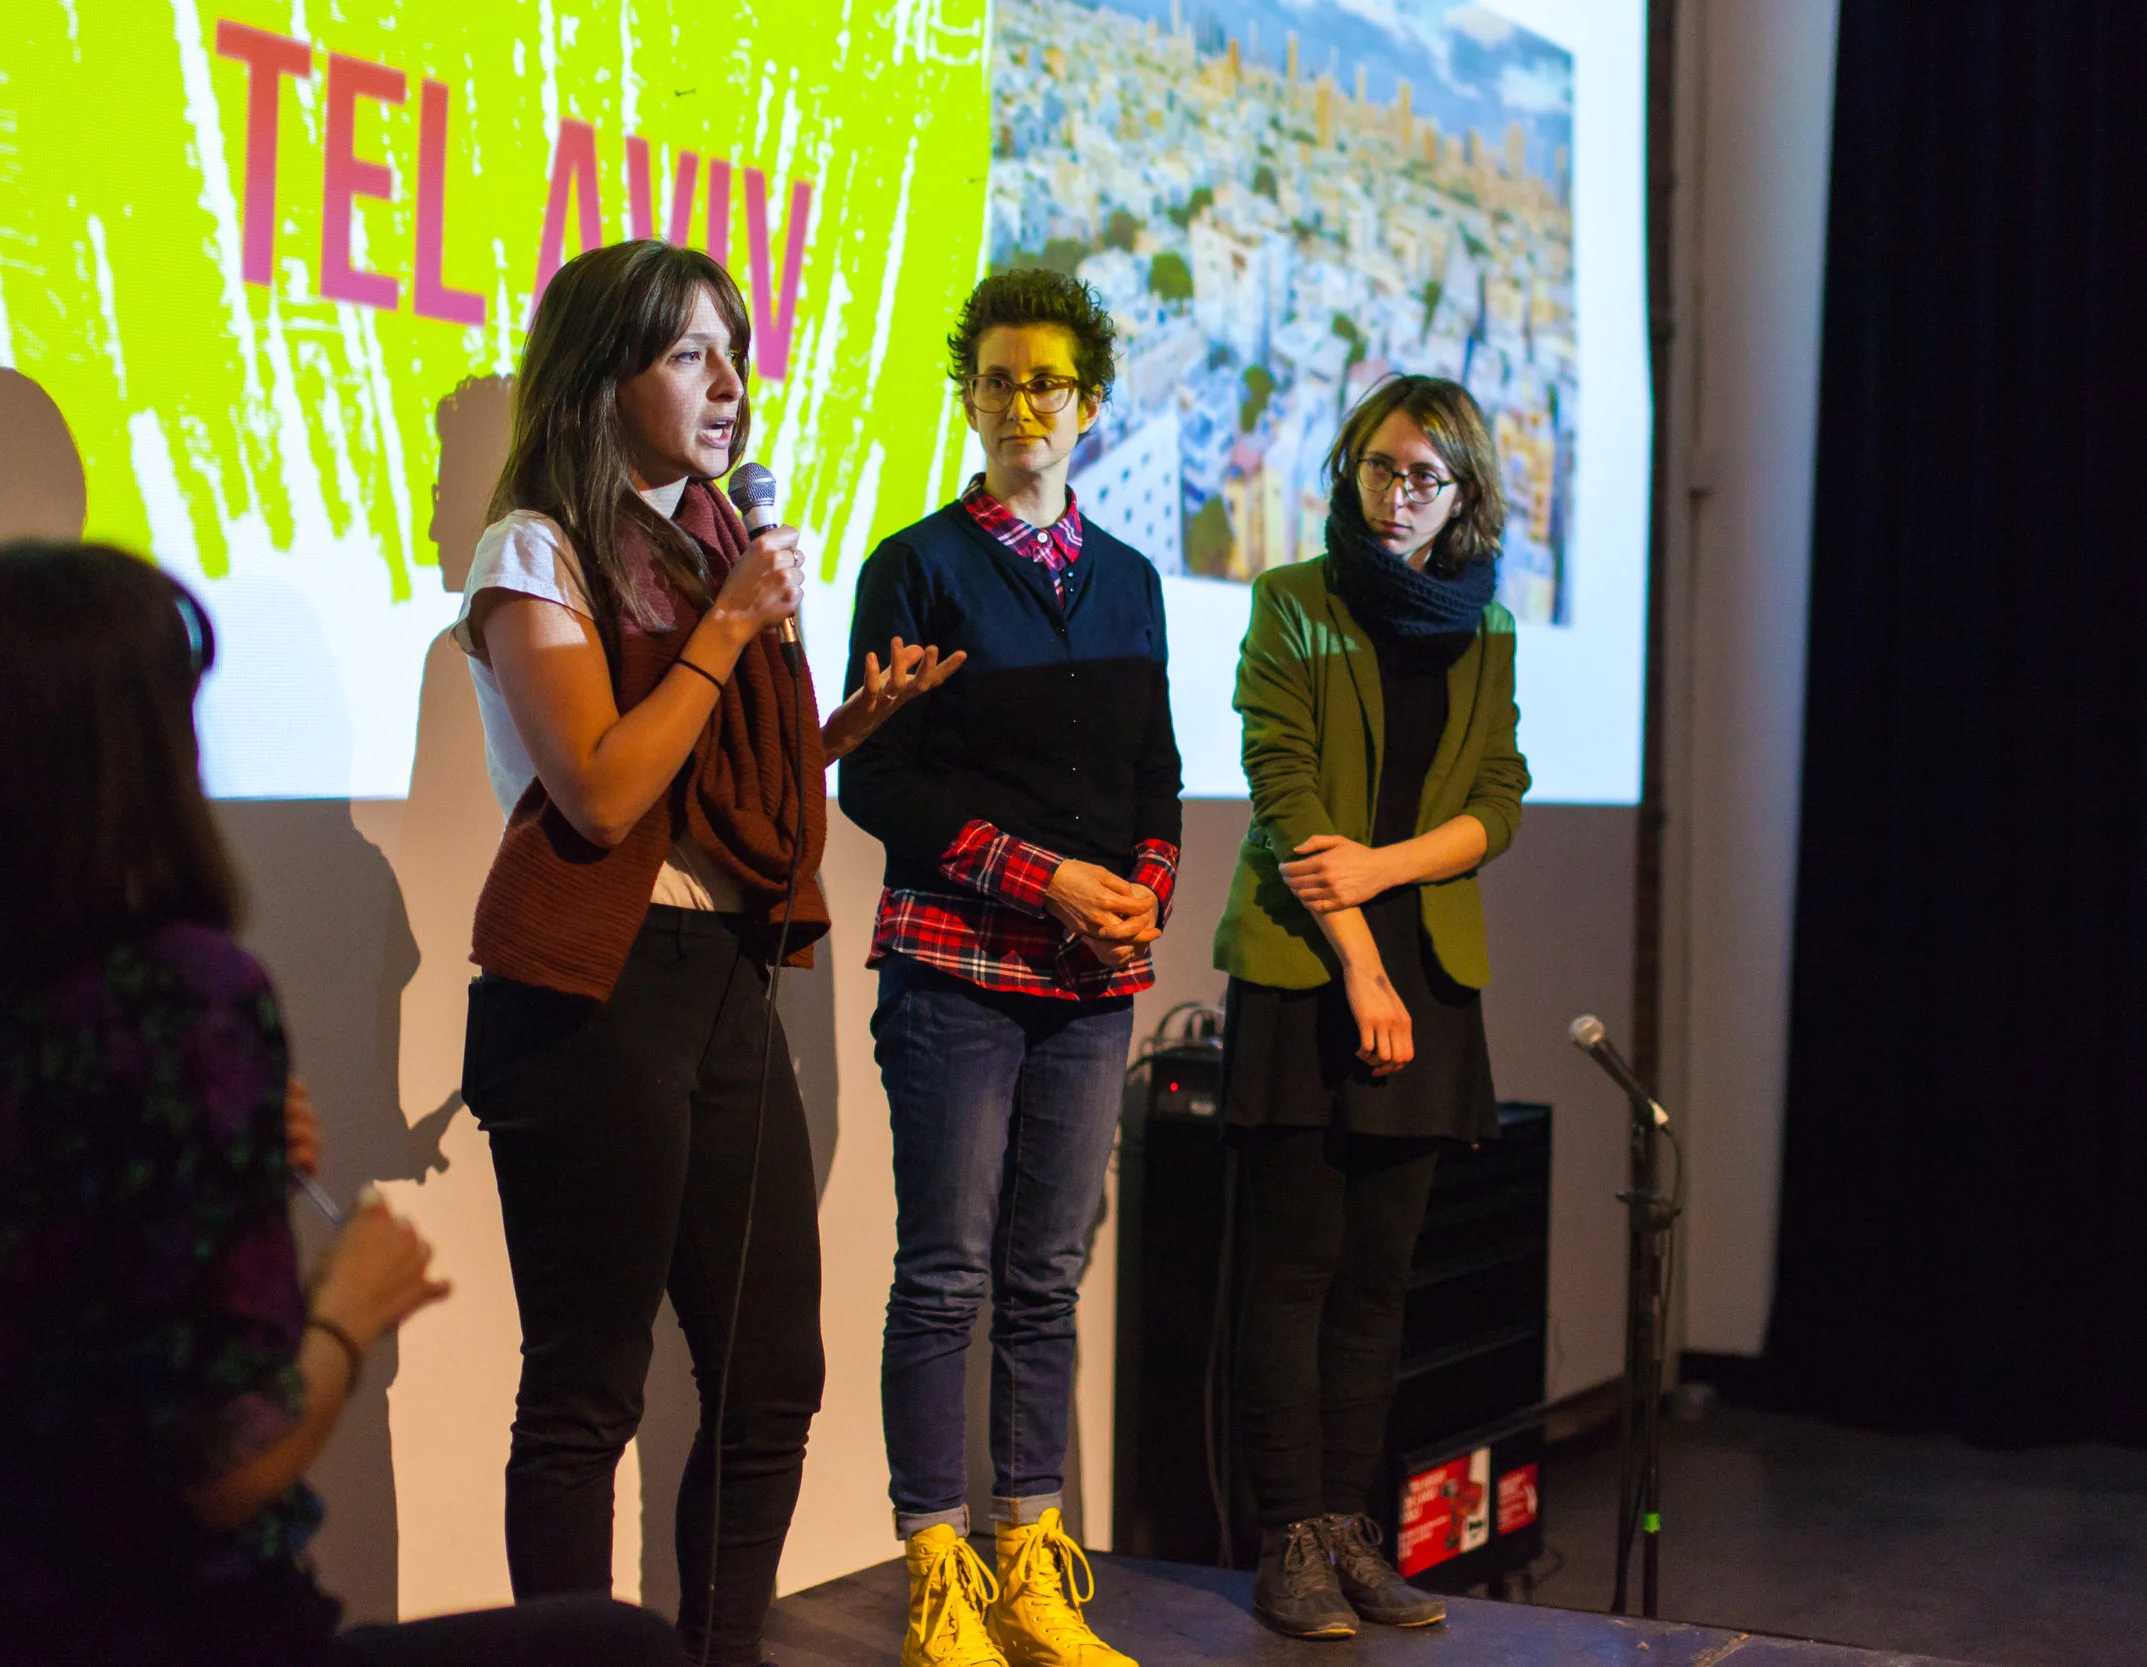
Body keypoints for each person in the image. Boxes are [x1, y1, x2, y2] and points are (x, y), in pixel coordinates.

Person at [0, 541, 679, 1667]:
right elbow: (229, 1459)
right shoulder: (183, 1000)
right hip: (199, 1636)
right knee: (623, 1650)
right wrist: (348, 1304)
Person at [454, 240, 958, 1665]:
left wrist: (834, 731)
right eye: (689, 354)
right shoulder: (537, 548)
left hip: (722, 974)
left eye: (735, 351)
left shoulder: (709, 543)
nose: (731, 384)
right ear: (602, 375)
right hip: (591, 990)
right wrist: (733, 626)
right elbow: (605, 793)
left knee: (772, 1374)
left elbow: (706, 782)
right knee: (587, 1391)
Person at [840, 268, 1182, 1667]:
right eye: (995, 380)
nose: (1019, 404)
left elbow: (1158, 774)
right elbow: (876, 778)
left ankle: (1031, 1563)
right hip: (954, 969)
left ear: (1087, 404)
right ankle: (938, 1569)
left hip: (1092, 985)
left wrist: (1142, 899)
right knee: (944, 1275)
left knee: (1044, 1277)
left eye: (1044, 382)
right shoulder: (916, 564)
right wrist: (1043, 878)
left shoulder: (1133, 578)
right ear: (968, 398)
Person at [1210, 375, 1530, 1639]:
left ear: (1462, 495)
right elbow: (1281, 786)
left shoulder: (1487, 627)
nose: (1398, 495)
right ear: (1351, 468)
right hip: (1307, 962)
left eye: (1425, 478)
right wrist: (1359, 957)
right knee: (1293, 1268)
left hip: (1429, 970)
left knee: (1377, 1281)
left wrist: (1385, 871)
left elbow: (1498, 798)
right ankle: (1288, 1537)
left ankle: (1349, 1528)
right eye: (1381, 468)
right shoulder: (1293, 600)